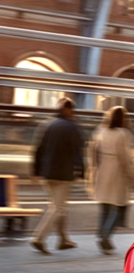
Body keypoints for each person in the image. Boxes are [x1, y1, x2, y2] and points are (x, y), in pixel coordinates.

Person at [29, 98, 85, 254]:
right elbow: (78, 152)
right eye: (72, 110)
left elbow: (38, 150)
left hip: (47, 173)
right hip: (63, 174)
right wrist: (81, 171)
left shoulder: (46, 125)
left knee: (58, 206)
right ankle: (38, 238)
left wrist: (35, 171)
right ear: (68, 110)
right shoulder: (72, 127)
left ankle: (63, 240)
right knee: (58, 208)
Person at [89, 106, 134, 255]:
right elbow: (125, 157)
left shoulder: (100, 131)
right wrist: (133, 176)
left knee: (105, 207)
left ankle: (101, 235)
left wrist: (93, 171)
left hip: (101, 170)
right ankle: (106, 234)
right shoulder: (124, 134)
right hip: (117, 172)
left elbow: (93, 152)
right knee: (119, 207)